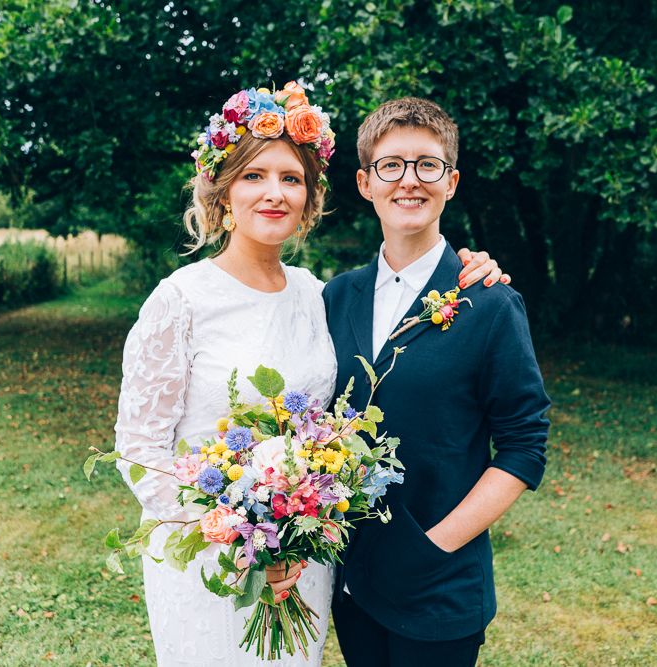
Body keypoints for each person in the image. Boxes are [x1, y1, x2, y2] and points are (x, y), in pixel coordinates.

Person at [113, 84, 506, 667]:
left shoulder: (317, 295)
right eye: (254, 176)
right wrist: (241, 533)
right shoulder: (181, 301)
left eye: (290, 179)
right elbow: (140, 451)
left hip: (305, 559)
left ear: (310, 198)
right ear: (222, 194)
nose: (274, 193)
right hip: (213, 563)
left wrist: (472, 266)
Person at [322, 97, 551, 667]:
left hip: (439, 583)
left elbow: (524, 446)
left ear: (451, 181)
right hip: (351, 580)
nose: (409, 181)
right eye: (390, 165)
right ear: (364, 182)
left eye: (427, 165)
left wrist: (436, 544)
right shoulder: (335, 296)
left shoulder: (490, 302)